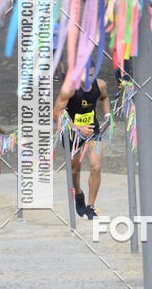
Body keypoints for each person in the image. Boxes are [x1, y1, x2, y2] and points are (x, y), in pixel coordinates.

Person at [54, 66, 110, 220]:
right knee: (75, 170)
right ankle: (78, 193)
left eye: (93, 74)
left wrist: (107, 114)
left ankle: (91, 206)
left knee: (96, 167)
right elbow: (56, 116)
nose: (90, 79)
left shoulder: (100, 85)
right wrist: (78, 128)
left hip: (92, 132)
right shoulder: (69, 90)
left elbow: (104, 98)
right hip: (71, 134)